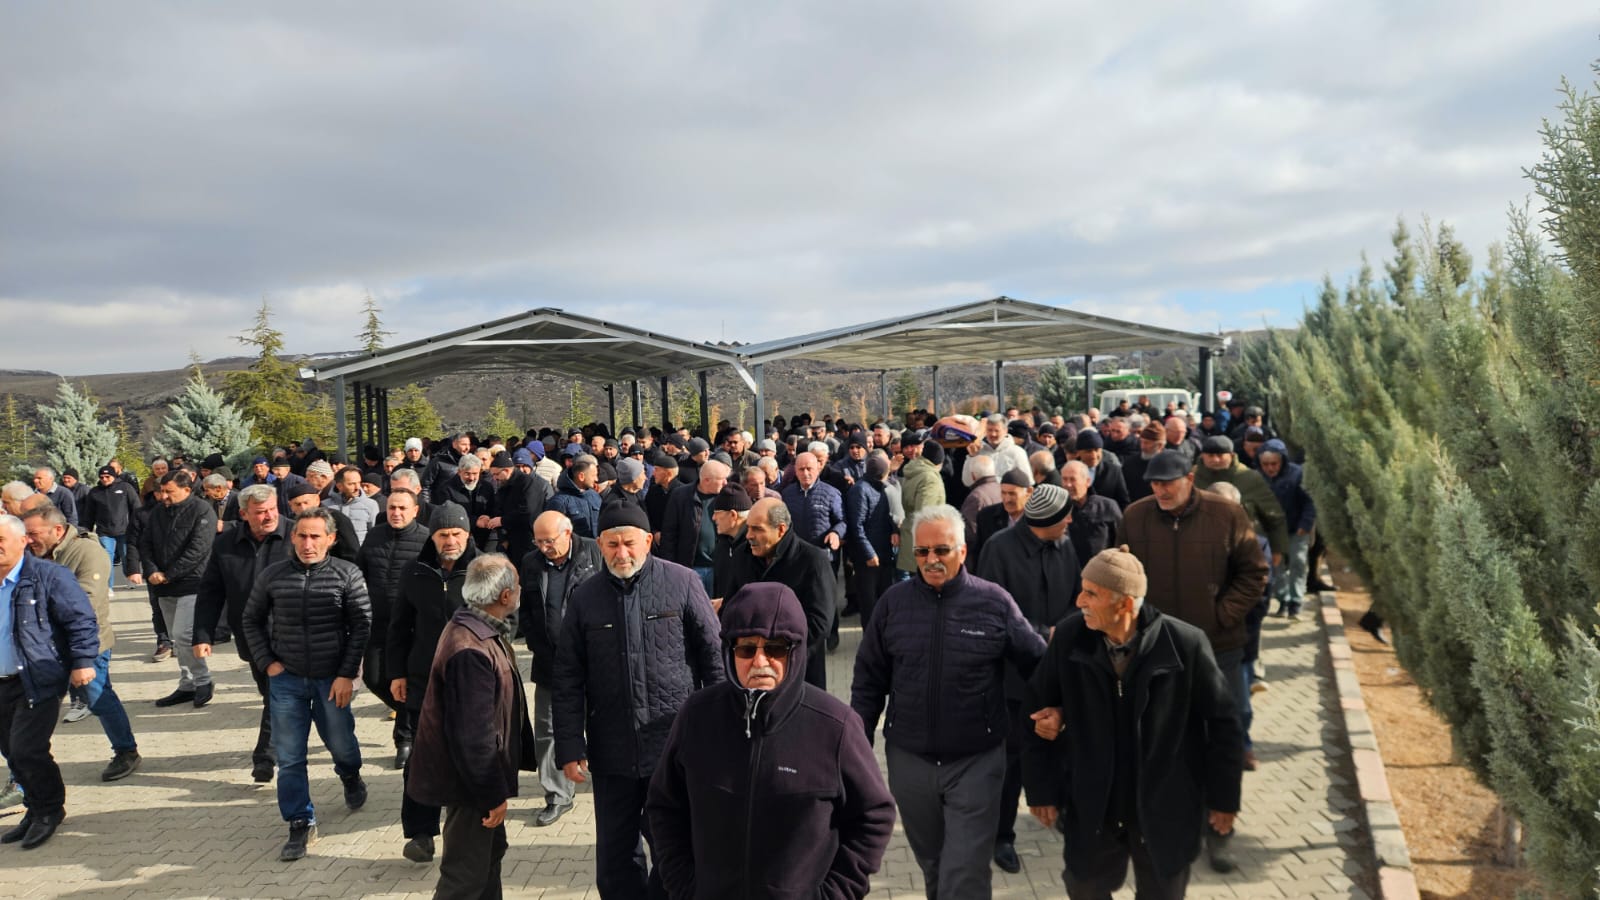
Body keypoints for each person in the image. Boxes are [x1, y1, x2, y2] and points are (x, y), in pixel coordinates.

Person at [646, 582, 897, 899]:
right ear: (729, 651)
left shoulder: (836, 726)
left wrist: (834, 893)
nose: (760, 661)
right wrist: (685, 887)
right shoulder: (696, 716)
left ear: (796, 651)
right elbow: (664, 806)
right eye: (747, 649)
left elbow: (874, 815)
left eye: (776, 648)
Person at [851, 504, 1047, 900]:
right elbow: (869, 679)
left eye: (941, 550)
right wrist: (855, 745)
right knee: (935, 865)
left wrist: (1052, 712)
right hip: (909, 760)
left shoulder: (994, 602)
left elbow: (1038, 664)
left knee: (965, 872)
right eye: (922, 552)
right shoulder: (892, 604)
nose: (930, 560)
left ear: (962, 551)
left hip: (977, 760)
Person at [1023, 547, 1243, 899]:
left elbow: (1224, 724)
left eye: (1091, 593)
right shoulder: (1069, 637)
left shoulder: (1185, 644)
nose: (1079, 601)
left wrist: (1224, 798)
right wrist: (1041, 790)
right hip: (1095, 806)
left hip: (1165, 808)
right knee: (1083, 887)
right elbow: (1035, 709)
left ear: (1125, 604)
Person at [553, 503, 724, 898]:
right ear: (599, 545)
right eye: (612, 544)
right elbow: (567, 677)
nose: (621, 553)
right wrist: (569, 745)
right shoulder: (585, 597)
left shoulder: (682, 582)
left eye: (629, 543)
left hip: (672, 747)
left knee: (675, 849)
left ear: (647, 541)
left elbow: (714, 659)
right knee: (616, 857)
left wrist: (718, 731)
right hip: (611, 750)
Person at [1115, 450, 1267, 873]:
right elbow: (1122, 576)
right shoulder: (1135, 517)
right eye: (1154, 483)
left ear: (1190, 478)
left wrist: (1222, 616)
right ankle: (1167, 824)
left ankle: (1220, 829)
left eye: (1168, 482)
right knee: (1164, 740)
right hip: (1157, 651)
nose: (1160, 490)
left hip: (1219, 648)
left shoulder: (1227, 514)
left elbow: (1254, 573)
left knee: (1221, 737)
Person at [242, 507, 372, 862]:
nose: (308, 543)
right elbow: (251, 619)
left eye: (316, 536)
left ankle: (350, 774)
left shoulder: (348, 574)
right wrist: (267, 663)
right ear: (293, 537)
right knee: (289, 755)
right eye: (302, 535)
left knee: (342, 743)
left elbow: (362, 626)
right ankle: (300, 820)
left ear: (331, 539)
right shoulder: (273, 575)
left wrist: (347, 674)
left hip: (333, 678)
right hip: (287, 679)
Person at [406, 553, 537, 900]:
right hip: (471, 786)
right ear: (505, 596)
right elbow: (473, 736)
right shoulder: (470, 648)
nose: (520, 590)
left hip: (475, 782)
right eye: (517, 585)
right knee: (464, 877)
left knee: (487, 860)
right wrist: (491, 793)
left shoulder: (476, 630)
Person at [972, 483, 1079, 874]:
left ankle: (1061, 809)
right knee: (1011, 760)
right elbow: (990, 610)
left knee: (1061, 746)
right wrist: (1041, 633)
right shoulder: (999, 548)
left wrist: (1064, 630)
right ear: (1047, 519)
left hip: (1059, 670)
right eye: (1065, 515)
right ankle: (1001, 835)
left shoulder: (1065, 544)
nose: (1071, 520)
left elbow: (1078, 596)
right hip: (1013, 677)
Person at [19, 504, 141, 783]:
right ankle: (22, 770)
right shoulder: (32, 554)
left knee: (98, 698)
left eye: (33, 534)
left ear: (57, 530)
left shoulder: (87, 552)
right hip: (42, 647)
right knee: (31, 707)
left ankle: (126, 750)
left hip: (87, 643)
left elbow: (87, 603)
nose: (28, 540)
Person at [388, 502, 479, 863]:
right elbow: (398, 626)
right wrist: (397, 672)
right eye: (443, 534)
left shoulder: (486, 569)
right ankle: (421, 833)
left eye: (456, 533)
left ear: (467, 534)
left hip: (471, 682)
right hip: (424, 679)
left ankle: (472, 829)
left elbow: (506, 623)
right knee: (422, 758)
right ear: (433, 537)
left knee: (470, 756)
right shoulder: (415, 571)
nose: (450, 540)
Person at [0, 514, 98, 849]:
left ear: (23, 540)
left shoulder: (48, 576)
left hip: (36, 678)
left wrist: (83, 661)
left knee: (27, 749)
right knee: (11, 752)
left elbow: (81, 620)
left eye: (1, 541)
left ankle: (50, 810)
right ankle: (34, 808)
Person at [194, 483, 293, 783]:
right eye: (260, 512)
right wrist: (203, 634)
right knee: (271, 693)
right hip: (251, 635)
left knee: (277, 694)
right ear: (244, 514)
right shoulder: (226, 544)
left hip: (292, 632)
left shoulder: (296, 535)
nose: (269, 516)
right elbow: (211, 591)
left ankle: (265, 756)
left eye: (272, 509)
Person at [518, 510, 601, 829]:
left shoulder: (594, 552)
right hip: (550, 662)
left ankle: (604, 777)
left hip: (596, 659)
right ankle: (557, 794)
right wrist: (535, 641)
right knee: (548, 728)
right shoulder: (531, 562)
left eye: (549, 541)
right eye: (538, 542)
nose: (544, 548)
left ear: (567, 533)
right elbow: (527, 610)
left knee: (601, 722)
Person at [721, 498, 834, 690]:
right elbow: (729, 610)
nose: (748, 535)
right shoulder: (742, 556)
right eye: (748, 528)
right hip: (751, 673)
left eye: (757, 529)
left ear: (781, 529)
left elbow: (820, 624)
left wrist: (776, 648)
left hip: (800, 676)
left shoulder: (813, 561)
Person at [140, 470, 218, 708]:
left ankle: (203, 681)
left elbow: (198, 549)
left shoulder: (202, 510)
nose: (163, 496)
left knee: (184, 635)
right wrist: (152, 570)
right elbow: (145, 543)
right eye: (162, 491)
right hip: (163, 586)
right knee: (176, 638)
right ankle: (187, 684)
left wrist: (169, 574)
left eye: (169, 491)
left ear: (186, 489)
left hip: (193, 583)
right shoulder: (158, 513)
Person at [1258, 439, 1317, 619]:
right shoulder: (1257, 477)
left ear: (1282, 460)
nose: (1270, 468)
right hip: (1271, 532)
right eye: (1265, 464)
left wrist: (1305, 525)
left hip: (1296, 529)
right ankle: (1282, 600)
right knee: (1276, 567)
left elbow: (1309, 502)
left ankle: (1295, 602)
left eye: (1274, 464)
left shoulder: (1298, 474)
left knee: (1298, 563)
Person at [659, 458, 730, 595]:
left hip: (718, 569)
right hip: (690, 568)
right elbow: (669, 534)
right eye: (721, 479)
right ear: (706, 480)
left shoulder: (726, 496)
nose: (725, 483)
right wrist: (669, 568)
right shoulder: (680, 496)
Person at [844, 451, 895, 625]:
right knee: (869, 605)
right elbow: (856, 526)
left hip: (884, 554)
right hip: (867, 559)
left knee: (884, 601)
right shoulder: (860, 490)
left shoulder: (881, 487)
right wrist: (869, 553)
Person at [80, 466, 140, 589]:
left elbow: (136, 507)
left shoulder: (125, 487)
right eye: (102, 477)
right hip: (104, 532)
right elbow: (89, 513)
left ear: (114, 476)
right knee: (107, 559)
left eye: (107, 476)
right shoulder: (95, 492)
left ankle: (130, 579)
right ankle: (108, 587)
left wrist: (137, 525)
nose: (104, 479)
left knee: (126, 556)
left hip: (124, 530)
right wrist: (86, 530)